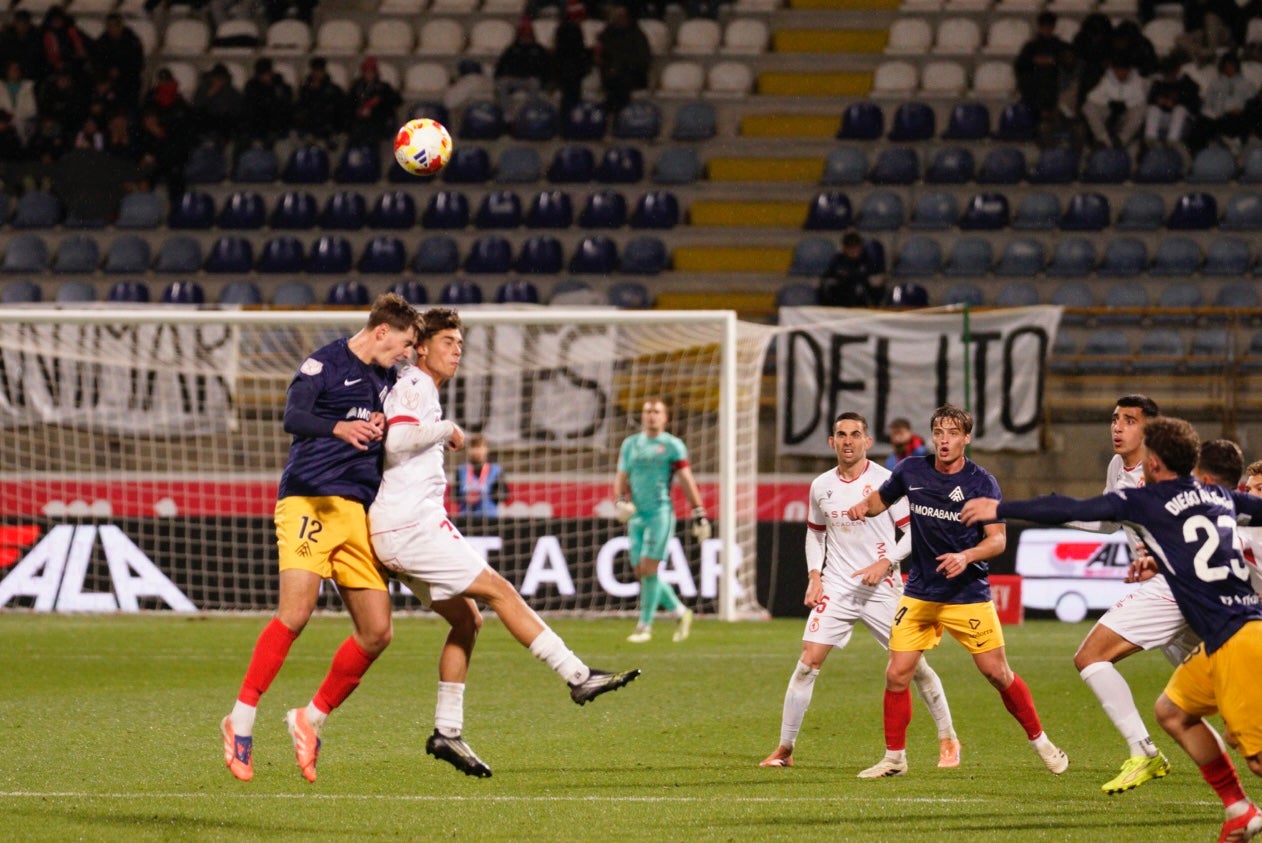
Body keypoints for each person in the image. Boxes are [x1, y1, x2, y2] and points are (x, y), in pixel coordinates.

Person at [368, 307, 640, 778]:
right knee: (501, 591)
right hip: (409, 526)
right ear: (423, 346)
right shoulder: (415, 384)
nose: (457, 350)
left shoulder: (417, 386)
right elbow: (397, 441)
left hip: (402, 527)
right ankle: (578, 676)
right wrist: (447, 429)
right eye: (449, 341)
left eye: (460, 343)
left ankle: (446, 732)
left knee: (468, 620)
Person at [962, 417, 1262, 843]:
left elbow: (1070, 508)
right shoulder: (1217, 495)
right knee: (1172, 713)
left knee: (1258, 759)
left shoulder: (1147, 501)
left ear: (1154, 461)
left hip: (1237, 640)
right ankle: (1237, 808)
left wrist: (1000, 508)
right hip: (1232, 635)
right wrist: (1160, 561)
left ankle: (1240, 802)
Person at [220, 292, 421, 784]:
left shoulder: (390, 380)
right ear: (381, 331)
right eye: (405, 344)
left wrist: (381, 423)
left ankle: (310, 719)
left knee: (378, 632)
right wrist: (340, 427)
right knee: (296, 613)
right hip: (309, 500)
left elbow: (398, 424)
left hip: (358, 511)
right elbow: (292, 416)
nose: (408, 354)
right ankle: (240, 720)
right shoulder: (325, 363)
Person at [845, 404, 1068, 778]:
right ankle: (895, 758)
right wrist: (861, 508)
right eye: (939, 432)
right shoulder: (911, 470)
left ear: (966, 437)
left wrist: (966, 556)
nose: (945, 440)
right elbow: (879, 501)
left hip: (967, 595)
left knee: (997, 673)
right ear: (932, 435)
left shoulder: (982, 483)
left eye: (953, 433)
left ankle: (1042, 742)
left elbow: (996, 541)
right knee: (897, 674)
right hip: (919, 592)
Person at [758, 412, 960, 771]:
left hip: (883, 587)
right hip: (837, 586)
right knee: (807, 663)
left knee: (915, 667)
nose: (848, 441)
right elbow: (816, 533)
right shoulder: (821, 486)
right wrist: (814, 575)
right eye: (841, 434)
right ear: (831, 442)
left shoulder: (888, 481)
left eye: (855, 434)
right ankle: (785, 749)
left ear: (868, 442)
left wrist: (888, 563)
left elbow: (914, 532)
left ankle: (948, 739)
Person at [1062, 394, 1192, 795]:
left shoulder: (1163, 470)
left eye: (1129, 420)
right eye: (1115, 419)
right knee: (1223, 681)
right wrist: (1060, 512)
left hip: (1171, 585)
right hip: (1174, 589)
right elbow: (1107, 521)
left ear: (1149, 429)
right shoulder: (1118, 465)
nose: (1117, 427)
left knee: (1090, 656)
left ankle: (1143, 750)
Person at [614, 396, 710, 644]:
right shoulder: (631, 444)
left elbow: (686, 480)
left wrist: (698, 512)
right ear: (642, 416)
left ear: (665, 417)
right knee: (640, 570)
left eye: (656, 411)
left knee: (648, 569)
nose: (651, 415)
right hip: (636, 515)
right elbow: (621, 475)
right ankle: (680, 611)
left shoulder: (672, 445)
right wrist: (618, 501)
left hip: (660, 514)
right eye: (647, 411)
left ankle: (644, 627)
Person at [1014, 12, 1074, 122]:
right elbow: (1021, 65)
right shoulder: (1031, 46)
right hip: (1033, 84)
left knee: (1047, 78)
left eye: (1049, 26)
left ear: (1053, 27)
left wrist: (1052, 61)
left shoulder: (1059, 45)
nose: (1047, 29)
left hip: (1054, 83)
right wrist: (1037, 61)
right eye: (1045, 26)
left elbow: (1068, 61)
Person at [594, 3, 650, 114]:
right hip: (610, 75)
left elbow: (643, 59)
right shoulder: (608, 33)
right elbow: (601, 55)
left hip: (631, 75)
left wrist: (620, 67)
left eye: (622, 17)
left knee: (620, 83)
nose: (619, 20)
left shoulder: (637, 35)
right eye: (617, 17)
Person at [1082, 60, 1147, 152]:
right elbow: (1092, 98)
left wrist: (1125, 104)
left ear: (1129, 70)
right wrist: (1109, 102)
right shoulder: (1106, 79)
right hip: (1109, 111)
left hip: (1127, 113)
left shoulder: (1138, 81)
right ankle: (1102, 139)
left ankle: (1122, 140)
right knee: (1088, 108)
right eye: (1118, 70)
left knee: (1141, 110)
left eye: (1124, 70)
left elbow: (1139, 102)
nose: (1121, 73)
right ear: (1113, 70)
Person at [494, 16, 552, 114]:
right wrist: (499, 76)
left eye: (528, 35)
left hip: (531, 79)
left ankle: (531, 113)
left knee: (535, 83)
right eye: (524, 35)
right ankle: (507, 115)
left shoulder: (539, 50)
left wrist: (546, 81)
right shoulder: (511, 49)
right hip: (513, 79)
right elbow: (500, 65)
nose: (526, 37)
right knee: (502, 83)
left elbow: (548, 67)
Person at [1144, 56, 1201, 146]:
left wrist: (1175, 103)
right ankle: (1150, 138)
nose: (1169, 76)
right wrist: (1159, 101)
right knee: (1153, 109)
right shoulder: (1158, 82)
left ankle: (1172, 140)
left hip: (1182, 122)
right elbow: (1150, 100)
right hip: (1164, 117)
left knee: (1180, 109)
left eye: (1171, 73)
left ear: (1177, 70)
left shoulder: (1188, 83)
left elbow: (1194, 106)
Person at [346, 56, 401, 148]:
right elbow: (349, 103)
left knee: (371, 133)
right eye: (367, 72)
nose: (369, 75)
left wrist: (380, 103)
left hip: (377, 122)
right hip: (358, 122)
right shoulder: (356, 87)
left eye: (371, 72)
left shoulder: (383, 87)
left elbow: (397, 101)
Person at [818, 232, 883, 308]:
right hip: (840, 300)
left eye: (855, 246)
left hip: (861, 303)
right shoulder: (838, 261)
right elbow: (828, 280)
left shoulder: (867, 261)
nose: (853, 250)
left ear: (860, 247)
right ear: (844, 248)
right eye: (849, 247)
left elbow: (876, 284)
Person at [455, 432, 507, 517]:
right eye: (473, 447)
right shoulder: (461, 470)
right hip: (465, 517)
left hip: (489, 517)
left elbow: (504, 494)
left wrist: (484, 496)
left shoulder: (496, 470)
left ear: (486, 449)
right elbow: (454, 495)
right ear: (468, 450)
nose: (476, 451)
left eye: (479, 447)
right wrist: (465, 498)